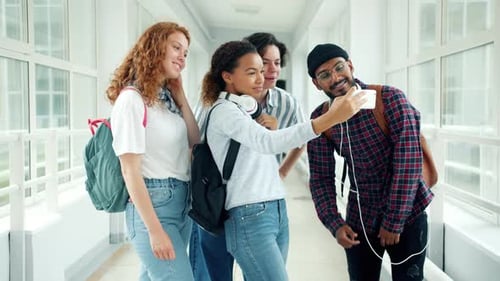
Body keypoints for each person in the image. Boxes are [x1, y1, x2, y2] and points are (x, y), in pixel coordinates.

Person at [199, 40, 365, 281]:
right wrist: (330, 118)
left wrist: (274, 135)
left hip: (275, 209)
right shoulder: (224, 111)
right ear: (228, 76)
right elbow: (267, 143)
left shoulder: (247, 111)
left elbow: (265, 146)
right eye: (251, 72)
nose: (261, 77)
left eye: (261, 70)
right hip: (248, 215)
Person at [306, 43, 434, 281]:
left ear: (350, 66)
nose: (335, 78)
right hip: (360, 218)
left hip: (408, 214)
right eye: (324, 75)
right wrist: (334, 223)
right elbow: (320, 178)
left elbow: (408, 162)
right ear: (316, 83)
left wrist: (394, 221)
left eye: (339, 68)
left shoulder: (390, 99)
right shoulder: (320, 119)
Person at [190, 32, 306, 281]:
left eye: (277, 63)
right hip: (217, 198)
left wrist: (282, 171)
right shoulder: (216, 104)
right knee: (212, 273)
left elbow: (295, 140)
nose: (271, 70)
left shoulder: (285, 103)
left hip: (262, 202)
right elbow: (195, 145)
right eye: (263, 64)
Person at [107, 22, 200, 281]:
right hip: (154, 206)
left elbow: (195, 141)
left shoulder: (166, 100)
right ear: (155, 47)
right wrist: (154, 230)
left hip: (182, 204)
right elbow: (130, 170)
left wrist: (181, 97)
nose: (182, 56)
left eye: (186, 52)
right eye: (176, 47)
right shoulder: (131, 100)